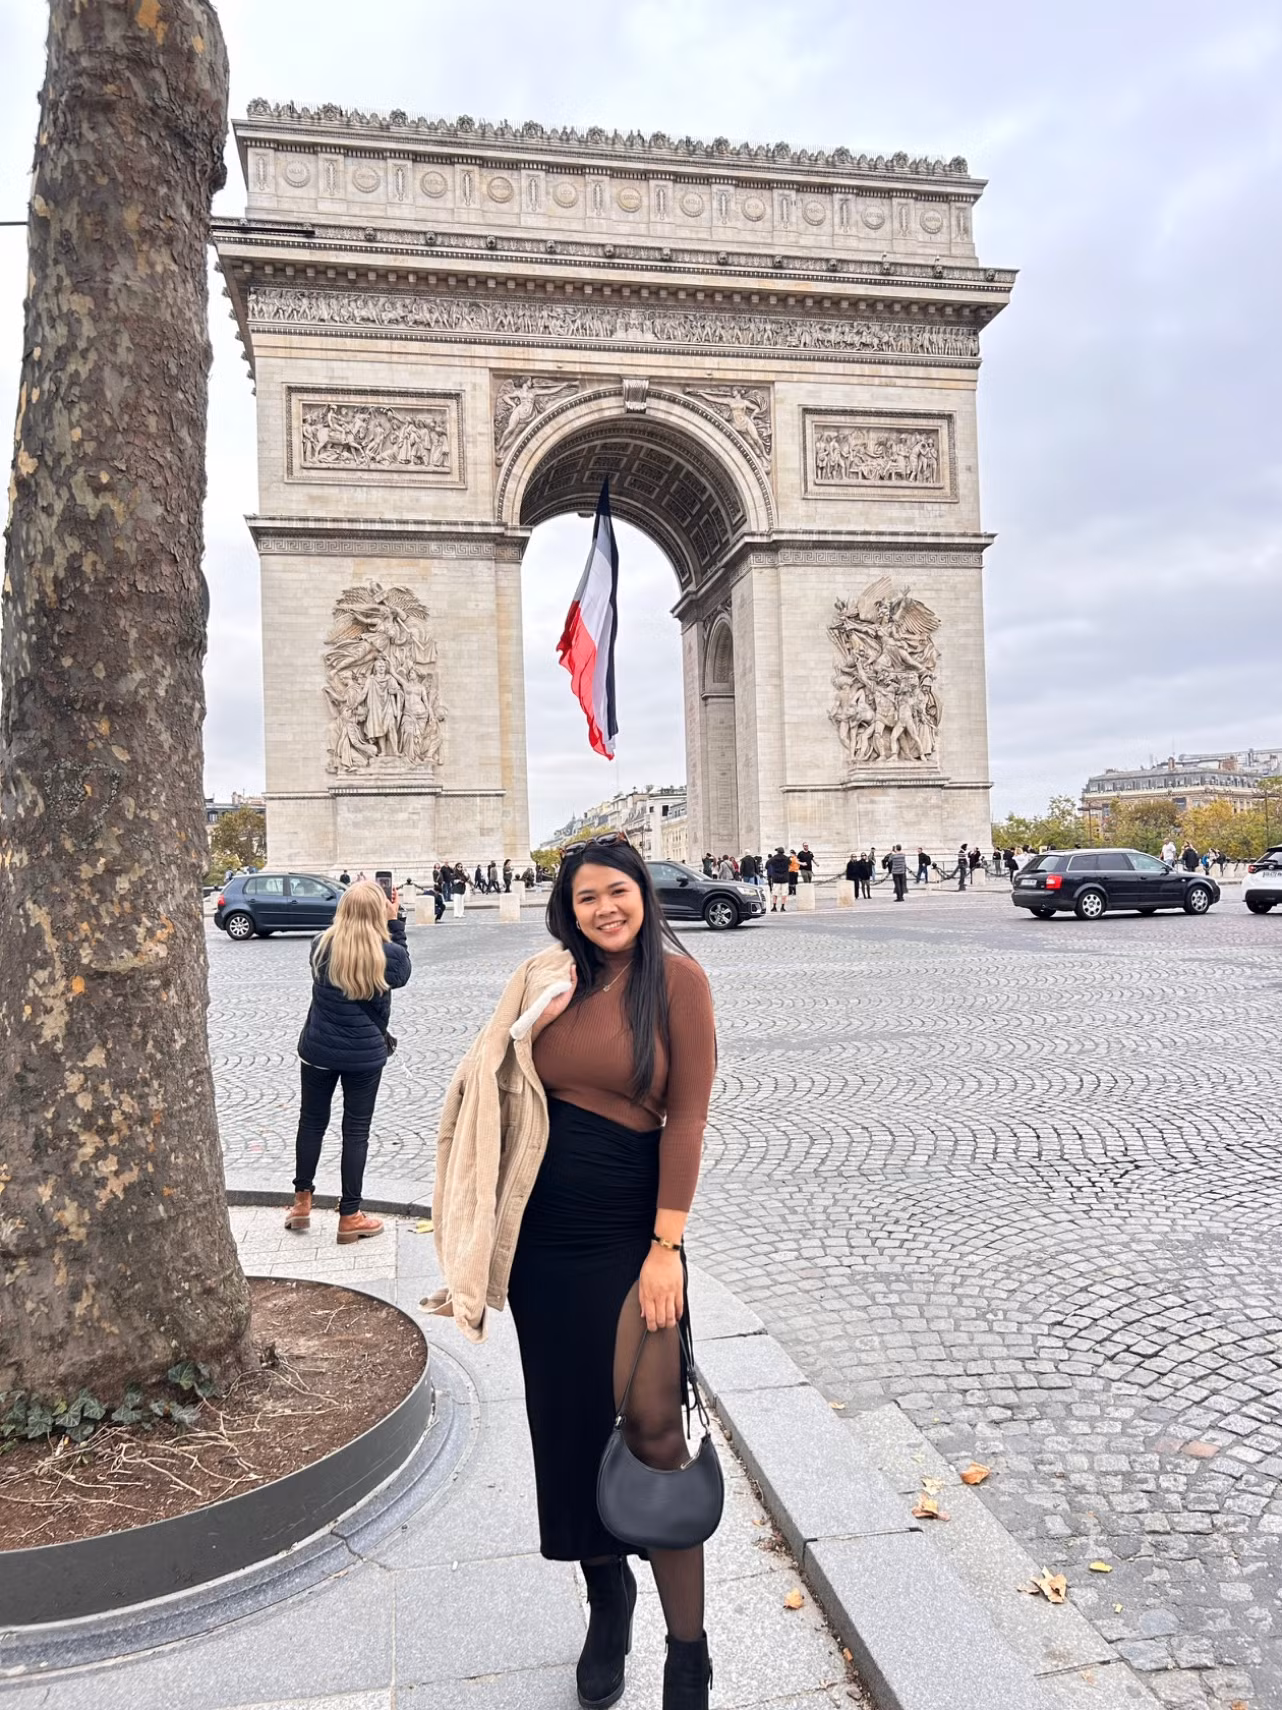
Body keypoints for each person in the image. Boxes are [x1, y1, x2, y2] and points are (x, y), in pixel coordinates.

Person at [429, 835, 718, 1709]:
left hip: (632, 1237)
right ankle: (607, 1602)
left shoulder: (680, 982)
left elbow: (687, 1122)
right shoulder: (544, 980)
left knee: (655, 1431)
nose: (605, 909)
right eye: (587, 897)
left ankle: (689, 1654)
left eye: (617, 891)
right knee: (571, 1431)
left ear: (643, 894)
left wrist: (666, 1250)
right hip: (545, 1244)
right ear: (569, 910)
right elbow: (494, 1082)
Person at [285, 881, 410, 1244]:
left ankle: (301, 1203)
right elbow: (402, 974)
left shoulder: (320, 946)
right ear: (379, 911)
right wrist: (395, 922)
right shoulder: (389, 954)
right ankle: (350, 1215)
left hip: (318, 1049)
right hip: (363, 1054)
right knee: (356, 1131)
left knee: (311, 1122)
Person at [766, 846, 790, 912]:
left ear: (778, 852)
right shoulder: (786, 858)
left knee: (775, 893)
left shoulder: (773, 858)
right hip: (785, 878)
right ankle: (782, 907)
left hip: (776, 878)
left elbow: (767, 865)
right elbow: (790, 863)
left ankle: (774, 906)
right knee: (784, 893)